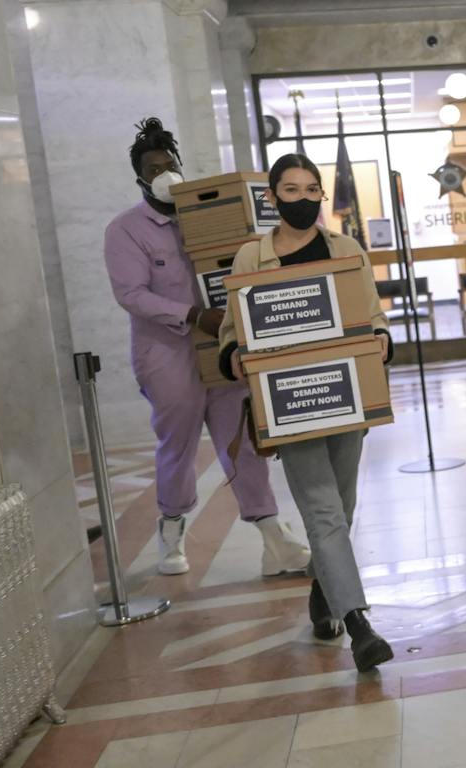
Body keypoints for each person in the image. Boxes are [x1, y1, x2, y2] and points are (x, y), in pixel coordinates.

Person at [103, 117, 310, 578]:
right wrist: (193, 315)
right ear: (139, 177)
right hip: (167, 352)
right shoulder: (126, 230)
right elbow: (131, 294)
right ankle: (172, 531)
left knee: (241, 441)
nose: (165, 174)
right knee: (177, 443)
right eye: (154, 167)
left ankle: (273, 537)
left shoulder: (204, 217)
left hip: (222, 347)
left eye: (170, 163)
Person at [216, 153, 394, 673]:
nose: (303, 198)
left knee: (342, 504)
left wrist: (382, 339)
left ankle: (325, 590)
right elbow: (232, 333)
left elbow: (373, 312)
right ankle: (360, 625)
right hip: (289, 403)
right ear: (272, 198)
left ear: (321, 194)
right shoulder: (251, 257)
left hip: (347, 395)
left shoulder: (346, 248)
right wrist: (235, 358)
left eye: (311, 189)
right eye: (290, 190)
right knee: (322, 508)